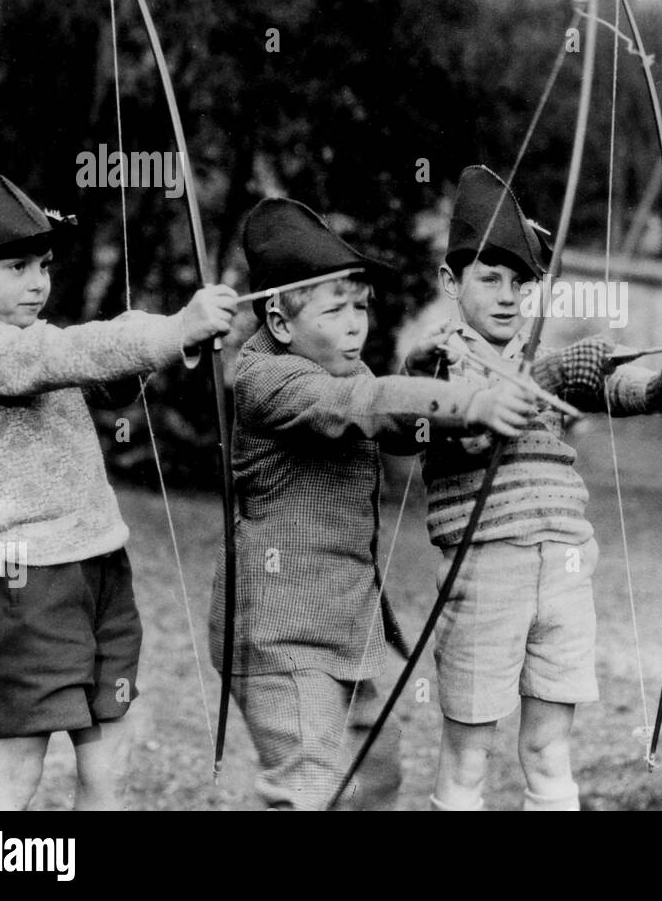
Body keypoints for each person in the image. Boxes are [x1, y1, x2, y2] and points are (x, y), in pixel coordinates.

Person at [0, 143, 237, 809]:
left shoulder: (26, 337)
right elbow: (68, 353)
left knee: (109, 747)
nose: (38, 281)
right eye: (17, 266)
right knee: (18, 767)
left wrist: (172, 341)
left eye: (43, 264)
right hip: (26, 581)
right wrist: (175, 327)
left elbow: (105, 373)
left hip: (97, 563)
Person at [209, 197, 534, 810]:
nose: (357, 323)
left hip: (349, 629)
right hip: (278, 636)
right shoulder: (264, 380)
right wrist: (468, 403)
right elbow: (364, 404)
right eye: (337, 310)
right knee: (307, 791)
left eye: (361, 307)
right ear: (279, 322)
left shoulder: (341, 375)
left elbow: (391, 422)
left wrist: (437, 391)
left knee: (376, 779)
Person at [409, 165, 662, 811]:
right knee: (469, 756)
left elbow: (604, 384)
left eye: (522, 282)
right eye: (489, 278)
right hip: (486, 569)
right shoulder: (437, 362)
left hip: (566, 568)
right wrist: (478, 402)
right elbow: (427, 412)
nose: (508, 295)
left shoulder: (544, 365)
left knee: (550, 751)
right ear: (449, 281)